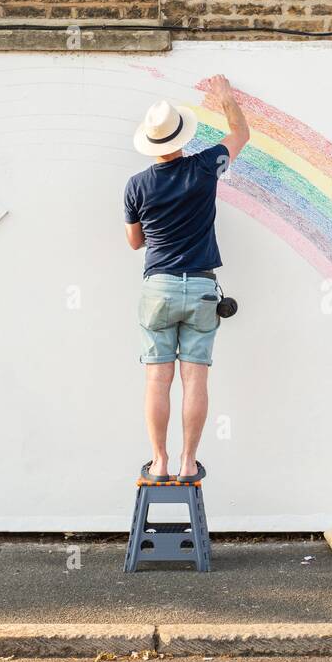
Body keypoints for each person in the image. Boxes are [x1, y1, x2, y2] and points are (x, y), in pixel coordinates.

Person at [124, 75, 249, 481]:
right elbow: (241, 134)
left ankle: (158, 461)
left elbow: (134, 242)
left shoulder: (136, 186)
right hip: (200, 287)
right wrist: (227, 99)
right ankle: (188, 461)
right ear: (180, 137)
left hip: (157, 287)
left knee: (158, 380)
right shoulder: (204, 167)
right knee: (195, 378)